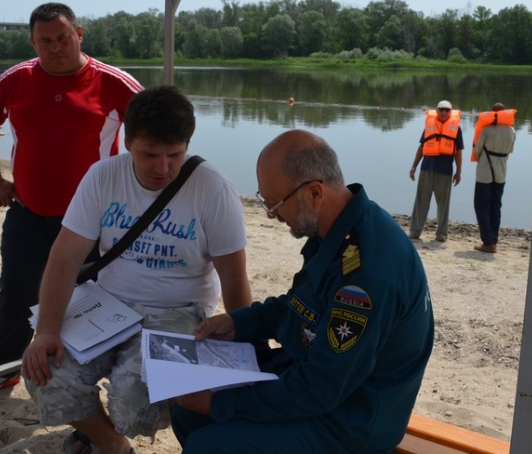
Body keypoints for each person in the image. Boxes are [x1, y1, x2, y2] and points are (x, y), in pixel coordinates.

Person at [171, 129, 434, 454]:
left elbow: (320, 388)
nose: (272, 215)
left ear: (313, 193)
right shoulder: (337, 228)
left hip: (349, 419)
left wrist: (222, 403)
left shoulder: (367, 275)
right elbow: (301, 306)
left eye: (275, 204)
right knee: (186, 412)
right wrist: (240, 323)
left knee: (209, 446)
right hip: (315, 380)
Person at [22, 85, 253, 454]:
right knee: (44, 371)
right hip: (108, 305)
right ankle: (112, 444)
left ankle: (103, 431)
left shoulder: (212, 188)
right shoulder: (102, 176)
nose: (162, 168)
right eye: (149, 155)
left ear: (187, 145)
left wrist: (247, 347)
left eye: (174, 155)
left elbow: (234, 277)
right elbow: (64, 258)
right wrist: (47, 331)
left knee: (134, 403)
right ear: (127, 141)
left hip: (180, 312)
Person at [0, 2, 144, 397]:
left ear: (79, 34)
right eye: (44, 41)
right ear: (33, 42)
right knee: (15, 291)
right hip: (29, 212)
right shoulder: (17, 79)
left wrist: (138, 188)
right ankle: (5, 368)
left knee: (95, 297)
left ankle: (89, 374)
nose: (55, 47)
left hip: (95, 219)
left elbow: (160, 126)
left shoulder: (111, 81)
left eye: (63, 38)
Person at [407, 99, 464, 242]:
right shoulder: (429, 126)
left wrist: (459, 171)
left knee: (443, 204)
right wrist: (414, 166)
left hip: (445, 171)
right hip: (426, 168)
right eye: (441, 109)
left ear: (451, 112)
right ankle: (415, 231)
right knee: (421, 201)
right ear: (436, 110)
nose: (444, 112)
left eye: (447, 110)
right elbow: (421, 148)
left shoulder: (456, 128)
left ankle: (441, 233)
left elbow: (458, 152)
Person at [472, 103, 516, 253]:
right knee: (495, 207)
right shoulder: (511, 131)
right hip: (501, 174)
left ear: (492, 114)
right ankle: (493, 240)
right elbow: (509, 153)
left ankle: (488, 242)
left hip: (484, 173)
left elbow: (477, 152)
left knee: (481, 206)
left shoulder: (486, 130)